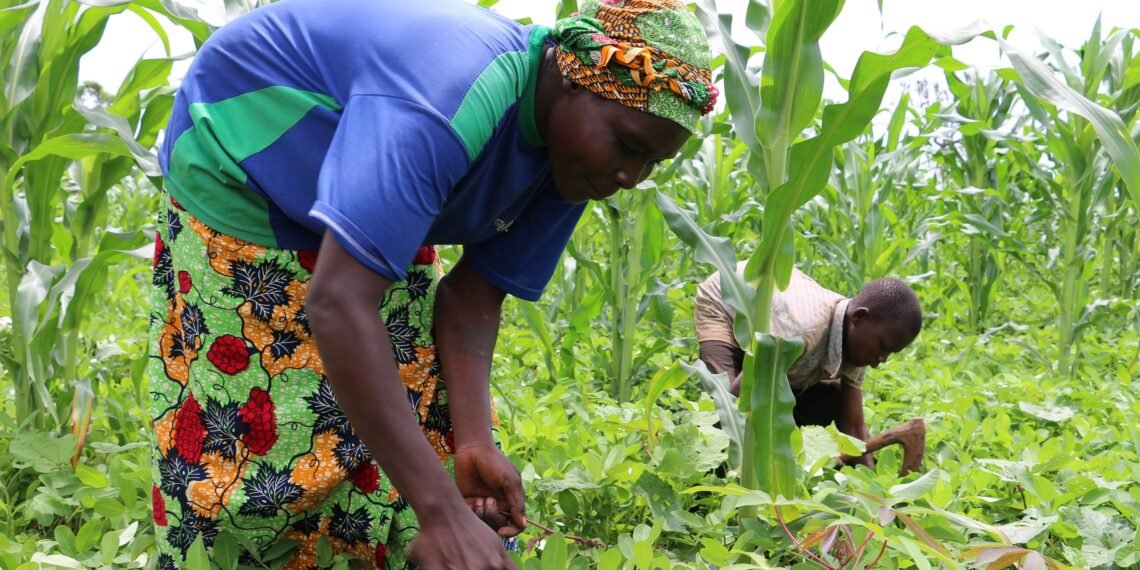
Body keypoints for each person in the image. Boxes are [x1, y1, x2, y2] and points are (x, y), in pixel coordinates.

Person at [147, 0, 715, 567]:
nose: (629, 177)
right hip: (246, 162)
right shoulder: (447, 97)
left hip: (365, 175)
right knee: (276, 434)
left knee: (426, 415)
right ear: (571, 79)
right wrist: (440, 513)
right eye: (629, 146)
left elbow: (472, 297)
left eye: (652, 164)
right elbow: (341, 304)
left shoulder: (576, 158)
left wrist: (473, 443)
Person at [694, 264, 922, 467]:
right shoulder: (802, 331)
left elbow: (853, 427)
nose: (882, 359)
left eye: (891, 353)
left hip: (777, 322)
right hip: (725, 302)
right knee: (723, 404)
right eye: (882, 348)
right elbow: (740, 396)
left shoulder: (859, 341)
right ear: (859, 318)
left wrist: (871, 490)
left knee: (833, 399)